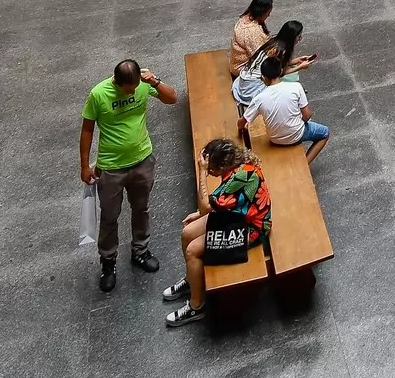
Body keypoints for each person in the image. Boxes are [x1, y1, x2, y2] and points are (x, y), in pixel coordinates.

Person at [79, 59, 179, 292]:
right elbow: (87, 129)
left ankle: (141, 251)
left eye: (135, 87)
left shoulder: (143, 83)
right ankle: (108, 261)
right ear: (117, 81)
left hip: (142, 160)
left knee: (141, 208)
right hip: (111, 167)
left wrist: (154, 80)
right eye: (129, 89)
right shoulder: (98, 94)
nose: (133, 91)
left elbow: (172, 98)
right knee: (110, 216)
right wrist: (84, 165)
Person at [161, 138, 268, 329]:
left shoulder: (240, 177)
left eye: (212, 170)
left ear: (223, 165)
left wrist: (201, 173)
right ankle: (192, 280)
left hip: (249, 228)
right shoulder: (236, 166)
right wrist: (200, 213)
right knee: (187, 233)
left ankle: (196, 306)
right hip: (234, 215)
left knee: (193, 250)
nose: (210, 173)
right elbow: (218, 203)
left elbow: (205, 207)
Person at [252, 55, 329, 162]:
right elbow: (307, 115)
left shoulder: (259, 98)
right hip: (296, 134)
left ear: (264, 78)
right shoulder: (296, 87)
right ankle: (306, 162)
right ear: (281, 72)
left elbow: (243, 121)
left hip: (274, 138)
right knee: (325, 132)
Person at [229, 0, 273, 78]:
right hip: (243, 70)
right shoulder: (252, 31)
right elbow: (260, 58)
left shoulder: (246, 17)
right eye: (268, 13)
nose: (268, 15)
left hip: (238, 63)